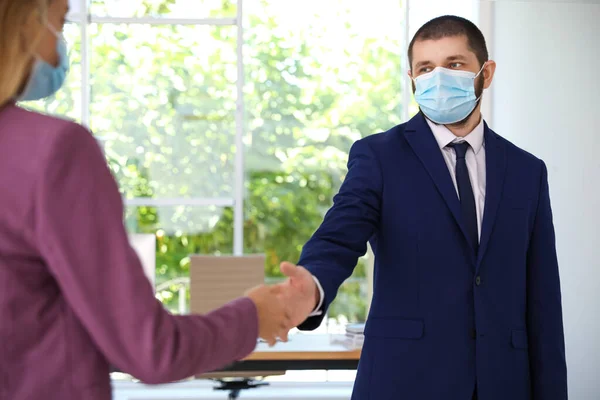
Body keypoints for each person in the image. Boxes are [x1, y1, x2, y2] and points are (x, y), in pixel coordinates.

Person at [0, 1, 293, 399]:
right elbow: (151, 350)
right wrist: (253, 315)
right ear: (23, 21)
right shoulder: (54, 152)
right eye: (62, 22)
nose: (61, 45)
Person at [277, 15, 568, 400]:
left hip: (505, 383)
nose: (439, 78)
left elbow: (543, 299)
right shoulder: (379, 156)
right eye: (426, 68)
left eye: (455, 64)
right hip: (405, 380)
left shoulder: (527, 171)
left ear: (486, 72)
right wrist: (311, 286)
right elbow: (340, 233)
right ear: (412, 79)